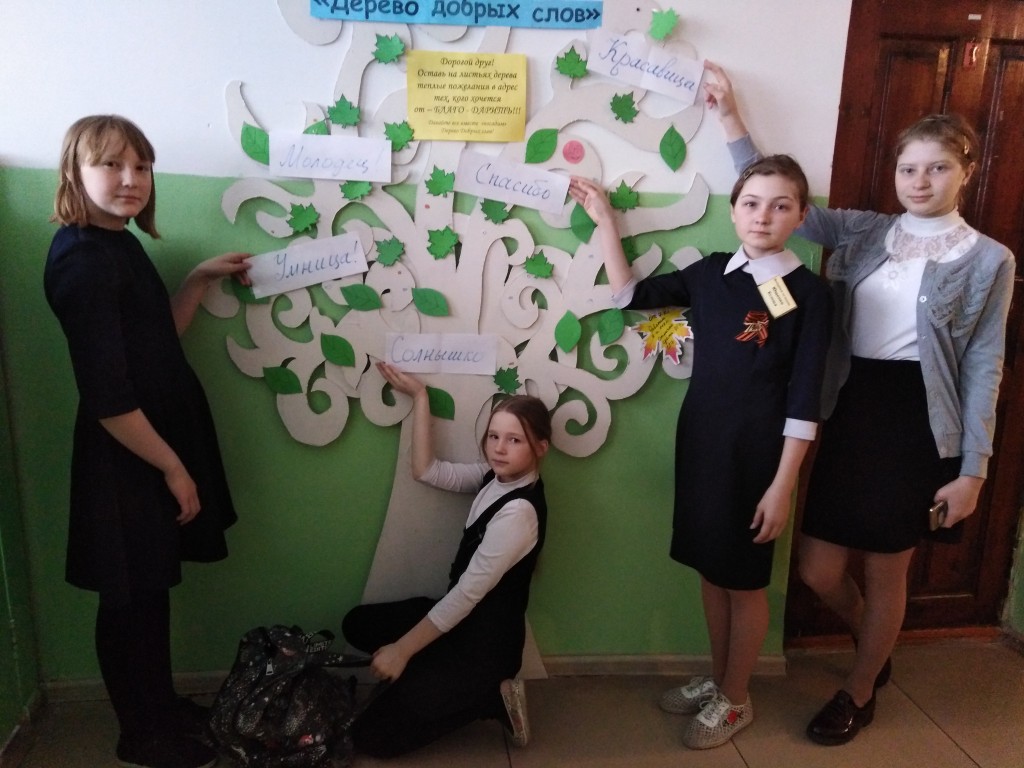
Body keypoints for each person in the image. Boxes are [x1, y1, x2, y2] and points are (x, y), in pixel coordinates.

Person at [708, 65, 1016, 745]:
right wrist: (729, 116)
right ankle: (873, 640)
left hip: (919, 422)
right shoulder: (865, 231)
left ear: (966, 171)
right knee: (818, 569)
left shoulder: (989, 259)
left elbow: (984, 363)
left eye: (937, 168)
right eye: (909, 168)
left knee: (886, 570)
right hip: (849, 408)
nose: (920, 181)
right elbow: (776, 196)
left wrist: (974, 469)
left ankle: (860, 686)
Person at [568, 99, 834, 749]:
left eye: (780, 206)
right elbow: (631, 296)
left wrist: (783, 485)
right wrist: (606, 221)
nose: (764, 216)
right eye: (752, 203)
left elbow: (805, 398)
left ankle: (737, 698)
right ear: (734, 209)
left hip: (759, 458)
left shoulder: (810, 294)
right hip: (702, 446)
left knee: (743, 580)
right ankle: (721, 679)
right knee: (711, 570)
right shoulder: (712, 273)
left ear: (802, 216)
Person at [45, 115, 252, 768]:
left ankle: (158, 707)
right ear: (75, 172)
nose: (131, 179)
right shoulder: (82, 262)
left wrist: (197, 280)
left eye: (142, 165)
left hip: (148, 445)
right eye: (111, 165)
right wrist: (173, 468)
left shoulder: (118, 243)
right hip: (127, 456)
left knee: (149, 588)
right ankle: (140, 734)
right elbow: (109, 398)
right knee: (128, 596)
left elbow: (152, 337)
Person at [342, 362, 552, 757]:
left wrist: (403, 650)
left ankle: (492, 696)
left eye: (514, 440)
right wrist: (420, 396)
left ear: (540, 447)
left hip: (484, 648)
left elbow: (466, 595)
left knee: (372, 739)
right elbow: (427, 470)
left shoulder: (519, 513)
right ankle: (430, 673)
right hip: (459, 624)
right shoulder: (495, 476)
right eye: (494, 436)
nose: (499, 448)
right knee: (357, 624)